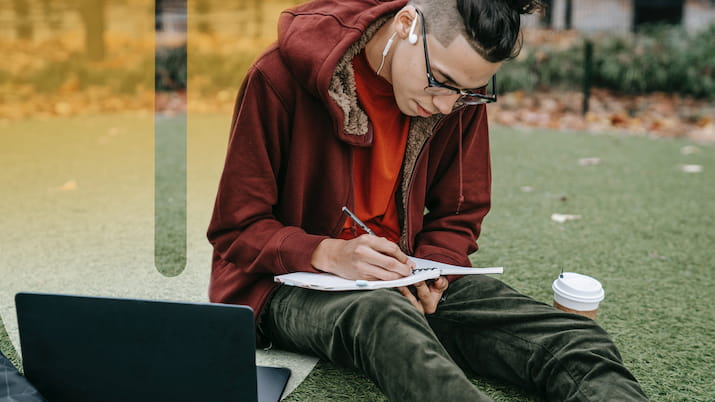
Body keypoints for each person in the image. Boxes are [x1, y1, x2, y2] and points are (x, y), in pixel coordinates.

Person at [207, 0, 649, 400]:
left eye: (470, 92)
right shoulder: (276, 77)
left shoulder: (457, 100)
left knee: (575, 338)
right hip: (285, 284)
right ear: (406, 26)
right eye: (441, 82)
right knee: (381, 315)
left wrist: (434, 267)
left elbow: (460, 211)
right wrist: (328, 252)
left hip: (405, 275)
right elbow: (236, 227)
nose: (447, 105)